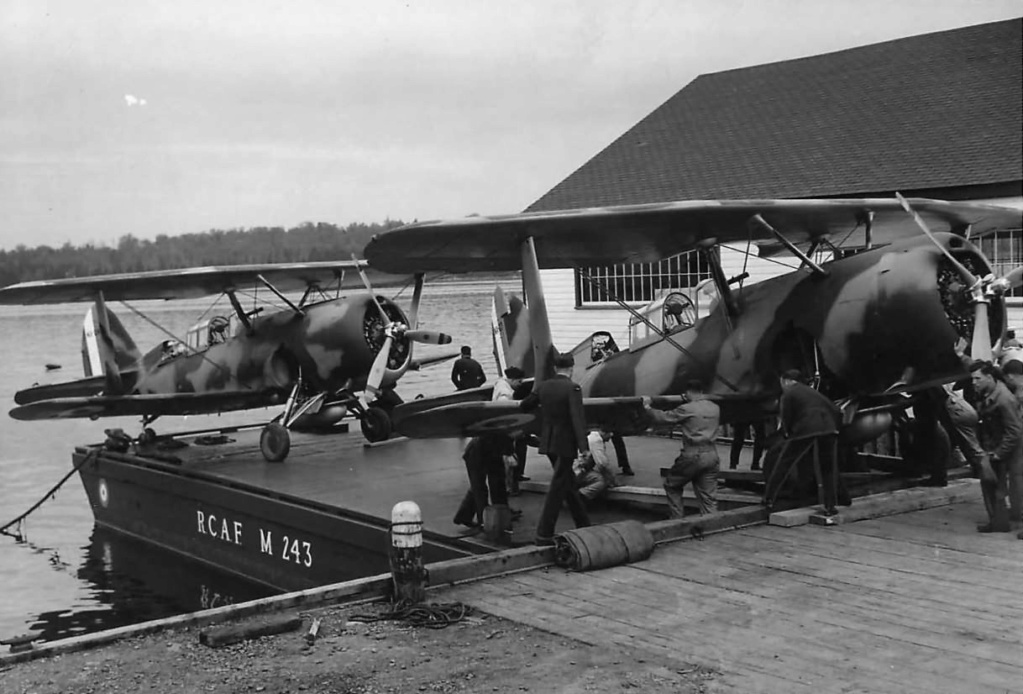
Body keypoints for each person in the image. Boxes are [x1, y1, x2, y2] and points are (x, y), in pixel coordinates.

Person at [519, 352, 591, 545]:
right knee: (558, 488)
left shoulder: (544, 386)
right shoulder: (573, 388)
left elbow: (524, 405)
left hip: (548, 442)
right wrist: (584, 448)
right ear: (572, 368)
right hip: (565, 444)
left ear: (554, 368)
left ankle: (584, 524)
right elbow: (577, 419)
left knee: (567, 483)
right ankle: (543, 533)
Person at [764, 369, 849, 514]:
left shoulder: (789, 393)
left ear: (786, 381)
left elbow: (786, 417)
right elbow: (836, 410)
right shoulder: (813, 393)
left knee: (784, 463)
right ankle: (831, 505)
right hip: (829, 428)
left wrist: (787, 433)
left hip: (805, 427)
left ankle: (769, 499)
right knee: (828, 468)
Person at [642, 380, 721, 517]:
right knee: (708, 497)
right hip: (712, 455)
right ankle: (711, 523)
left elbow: (663, 418)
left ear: (688, 392)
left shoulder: (687, 409)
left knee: (672, 485)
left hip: (693, 454)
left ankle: (677, 520)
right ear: (702, 391)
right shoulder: (715, 408)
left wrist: (647, 407)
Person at [968, 360, 1022, 533]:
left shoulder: (1004, 399)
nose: (973, 383)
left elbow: (1014, 431)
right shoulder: (987, 392)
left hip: (1010, 447)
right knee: (991, 483)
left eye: (977, 379)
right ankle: (999, 522)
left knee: (1015, 485)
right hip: (995, 445)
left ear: (989, 377)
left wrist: (998, 454)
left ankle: (1005, 520)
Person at [452, 433, 513, 530]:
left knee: (490, 486)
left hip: (485, 453)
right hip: (476, 455)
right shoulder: (497, 439)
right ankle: (483, 520)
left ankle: (464, 516)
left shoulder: (501, 438)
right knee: (479, 489)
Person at [492, 366, 527, 494]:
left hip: (500, 430)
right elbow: (505, 414)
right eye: (519, 381)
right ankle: (510, 487)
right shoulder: (505, 394)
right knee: (508, 460)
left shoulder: (500, 385)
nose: (520, 384)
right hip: (504, 431)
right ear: (512, 380)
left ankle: (510, 485)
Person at [574, 430, 619, 503]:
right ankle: (581, 495)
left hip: (576, 469)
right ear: (604, 432)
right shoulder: (596, 440)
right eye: (609, 435)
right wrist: (613, 480)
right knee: (601, 480)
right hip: (577, 471)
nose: (609, 439)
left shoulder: (592, 437)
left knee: (598, 475)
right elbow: (602, 464)